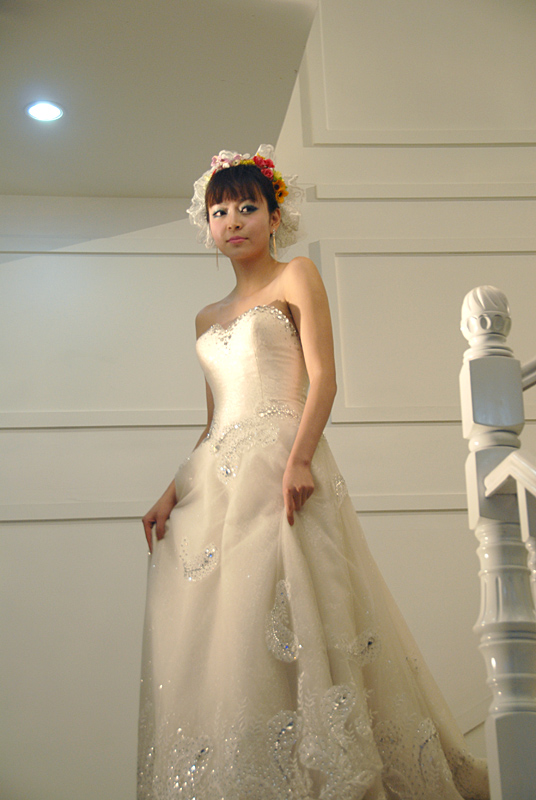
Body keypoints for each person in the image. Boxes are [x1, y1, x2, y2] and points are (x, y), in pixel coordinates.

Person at [138, 145, 489, 799]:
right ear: (207, 225)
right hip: (217, 480)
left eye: (247, 207)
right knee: (234, 634)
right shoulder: (205, 318)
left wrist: (299, 458)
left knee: (295, 607)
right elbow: (212, 424)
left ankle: (332, 774)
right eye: (219, 211)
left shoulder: (296, 276)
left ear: (274, 216)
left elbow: (323, 378)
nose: (233, 220)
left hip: (280, 461)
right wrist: (168, 493)